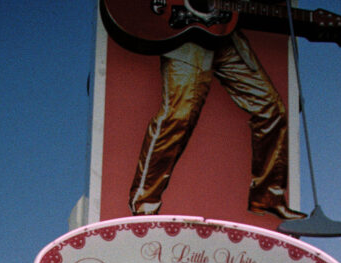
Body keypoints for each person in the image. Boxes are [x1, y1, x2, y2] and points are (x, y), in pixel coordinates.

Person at [128, 24, 305, 220]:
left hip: (224, 34)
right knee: (179, 117)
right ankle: (144, 203)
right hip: (187, 35)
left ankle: (268, 195)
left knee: (272, 109)